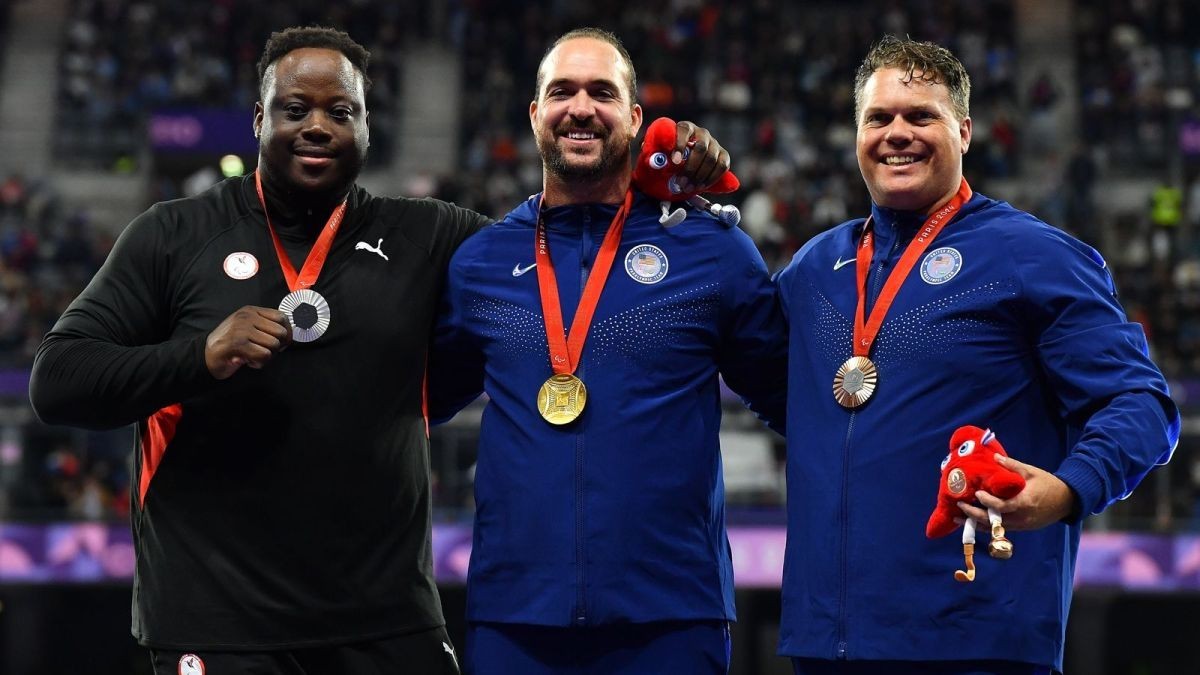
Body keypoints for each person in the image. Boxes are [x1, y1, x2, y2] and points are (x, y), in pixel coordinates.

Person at [29, 25, 729, 675]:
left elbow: (558, 248)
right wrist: (197, 357)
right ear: (258, 120)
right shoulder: (173, 235)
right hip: (218, 621)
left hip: (387, 623)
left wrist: (646, 176)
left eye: (341, 111)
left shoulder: (431, 236)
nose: (317, 127)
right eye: (295, 108)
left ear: (368, 126)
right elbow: (58, 380)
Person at [773, 35, 1180, 675]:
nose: (897, 133)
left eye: (921, 116)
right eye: (878, 118)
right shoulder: (814, 269)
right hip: (827, 642)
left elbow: (1140, 403)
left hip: (976, 639)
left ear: (964, 131)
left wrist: (1069, 488)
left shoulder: (1033, 255)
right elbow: (772, 389)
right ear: (856, 135)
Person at [429, 28, 788, 674]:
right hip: (516, 617)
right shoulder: (481, 262)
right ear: (536, 114)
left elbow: (797, 399)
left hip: (671, 618)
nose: (582, 107)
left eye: (603, 91)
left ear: (636, 117)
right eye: (562, 91)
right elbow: (414, 403)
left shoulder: (711, 249)